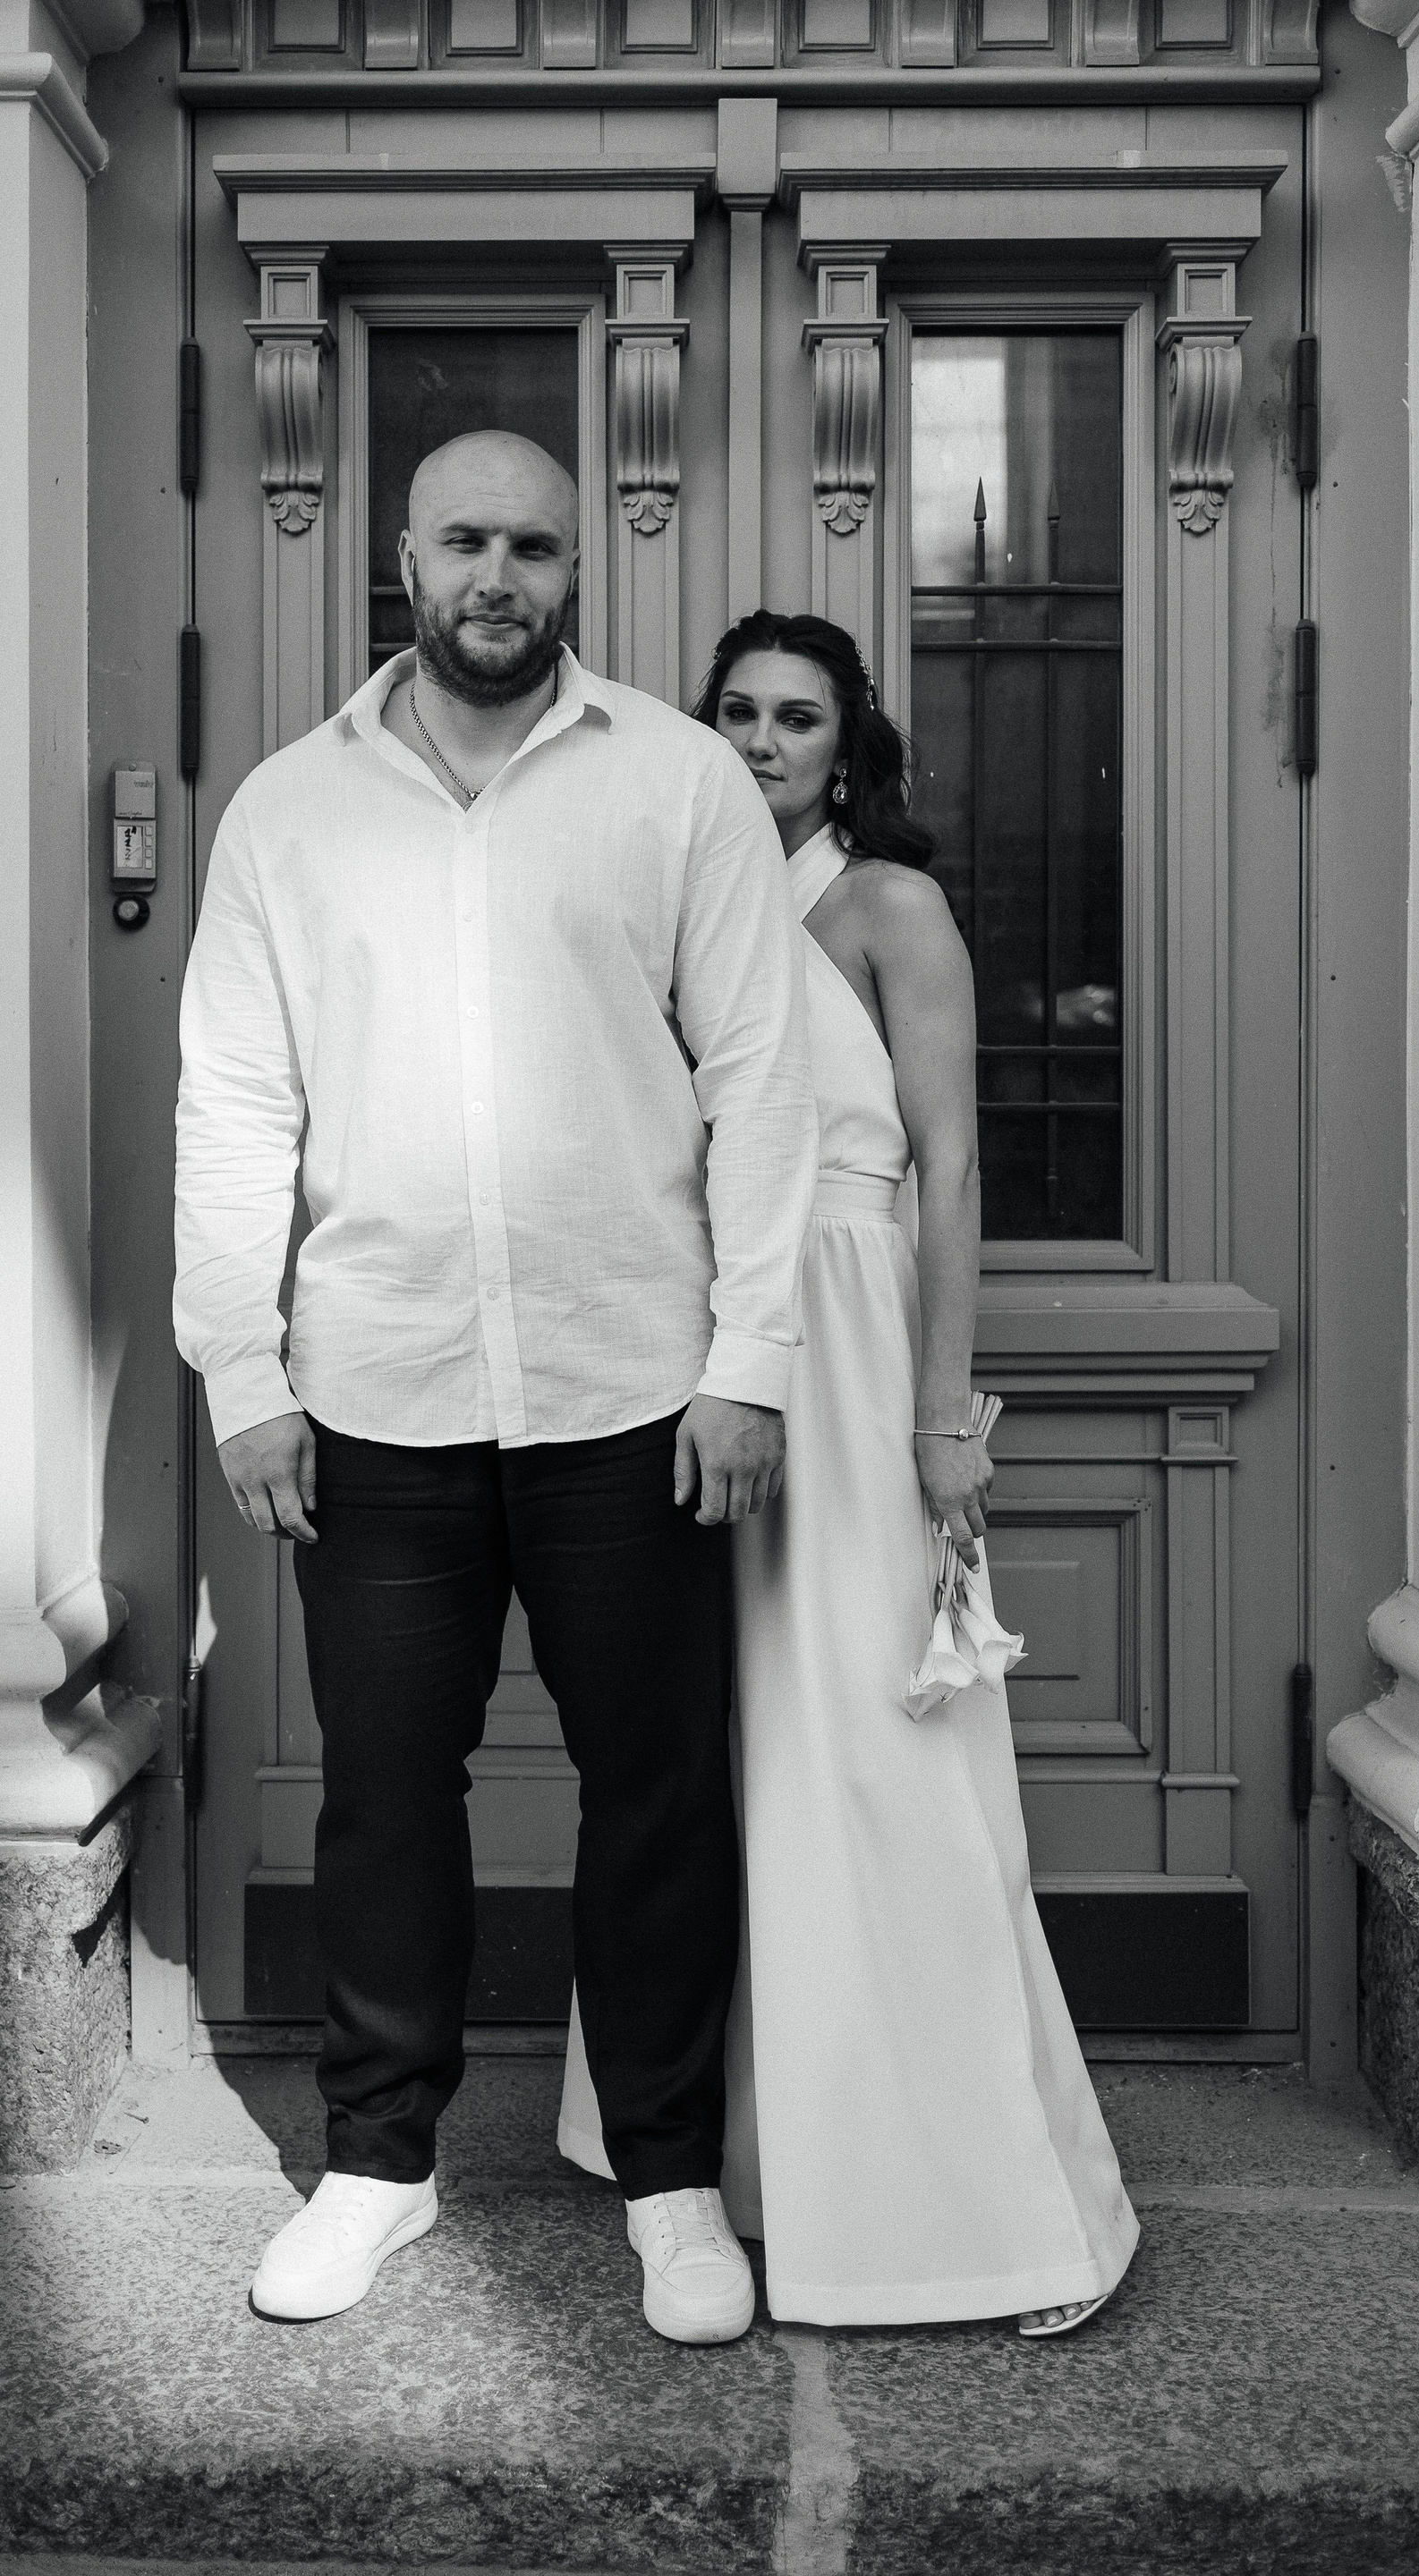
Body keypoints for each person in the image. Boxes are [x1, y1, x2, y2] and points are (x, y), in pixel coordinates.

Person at [174, 435, 818, 2341]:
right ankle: (381, 2167)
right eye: (466, 539)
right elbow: (236, 1101)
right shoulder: (288, 811)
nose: (499, 576)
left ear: (576, 569)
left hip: (638, 1391)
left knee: (657, 1795)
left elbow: (761, 1078)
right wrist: (242, 1369)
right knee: (385, 1796)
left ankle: (673, 2184)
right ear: (403, 556)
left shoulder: (678, 782)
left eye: (535, 545)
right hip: (375, 1393)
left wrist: (752, 1361)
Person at [559, 611, 1140, 2334]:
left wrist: (944, 1415)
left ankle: (1000, 2216)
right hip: (700, 1355)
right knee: (708, 1756)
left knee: (887, 1760)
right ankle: (728, 2167)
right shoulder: (674, 905)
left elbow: (949, 1170)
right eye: (734, 712)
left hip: (859, 1341)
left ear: (847, 746)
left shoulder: (891, 908)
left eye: (796, 718)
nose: (760, 742)